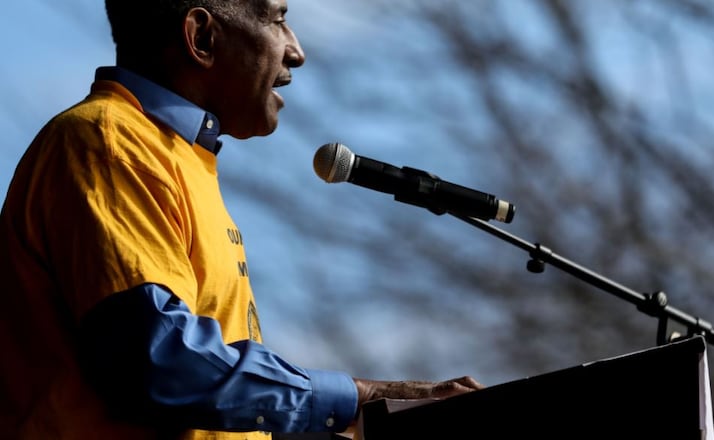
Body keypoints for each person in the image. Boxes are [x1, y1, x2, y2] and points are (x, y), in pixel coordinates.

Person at [0, 0, 485, 439]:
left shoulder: (174, 155)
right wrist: (355, 398)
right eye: (278, 18)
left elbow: (211, 403)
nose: (296, 51)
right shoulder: (109, 144)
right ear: (203, 38)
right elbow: (158, 361)